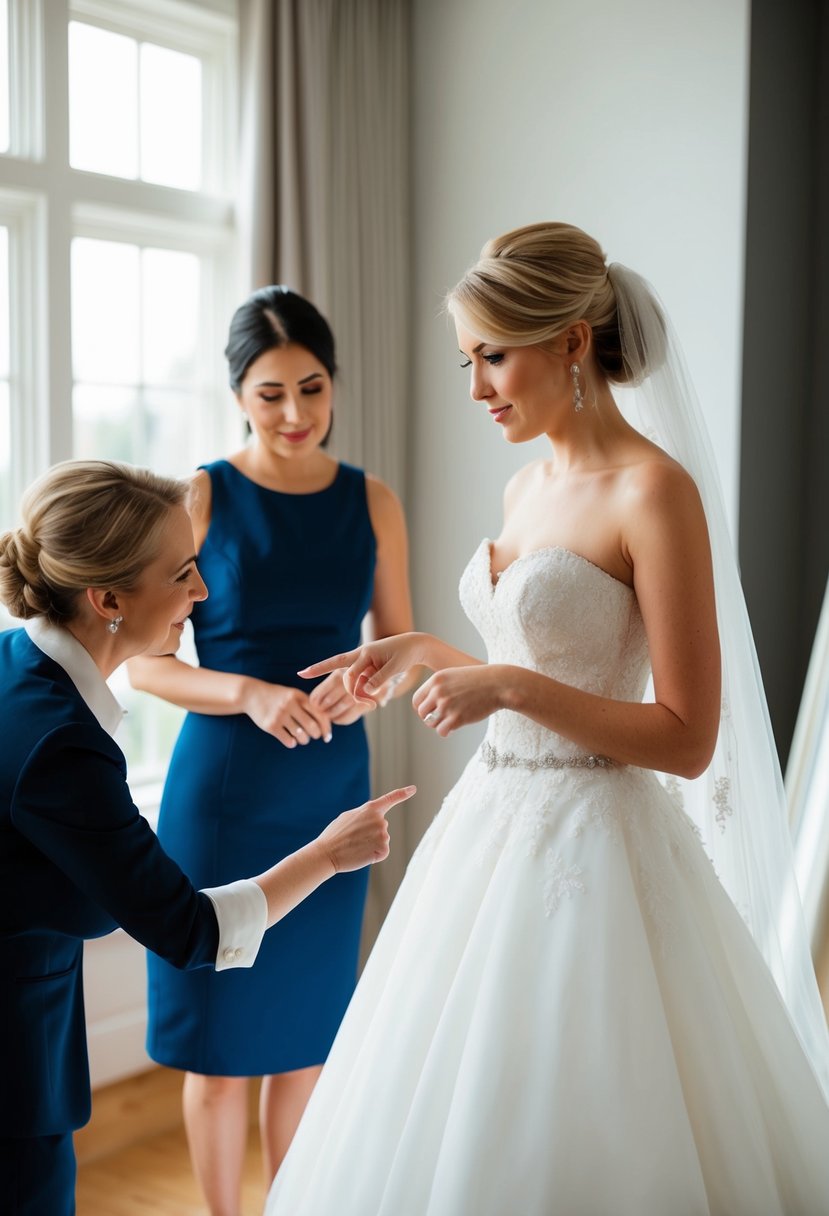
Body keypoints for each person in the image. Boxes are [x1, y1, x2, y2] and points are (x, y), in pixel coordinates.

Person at [264, 223, 829, 1215]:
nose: (476, 387)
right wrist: (425, 655)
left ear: (571, 341)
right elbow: (530, 657)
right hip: (488, 828)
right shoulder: (525, 484)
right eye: (466, 360)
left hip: (601, 845)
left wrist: (508, 690)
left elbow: (687, 736)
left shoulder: (655, 492)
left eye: (493, 355)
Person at [0, 458, 414, 1216]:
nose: (202, 592)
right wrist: (329, 853)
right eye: (184, 572)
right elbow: (191, 930)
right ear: (107, 599)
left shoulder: (13, 665)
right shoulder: (61, 745)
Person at [126, 286, 414, 1212]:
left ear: (333, 384)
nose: (295, 414)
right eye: (269, 394)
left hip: (332, 784)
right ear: (237, 395)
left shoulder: (373, 501)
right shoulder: (201, 495)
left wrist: (371, 677)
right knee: (218, 1049)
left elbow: (399, 649)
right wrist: (247, 692)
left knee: (304, 1044)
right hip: (224, 795)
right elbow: (144, 666)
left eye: (312, 387)